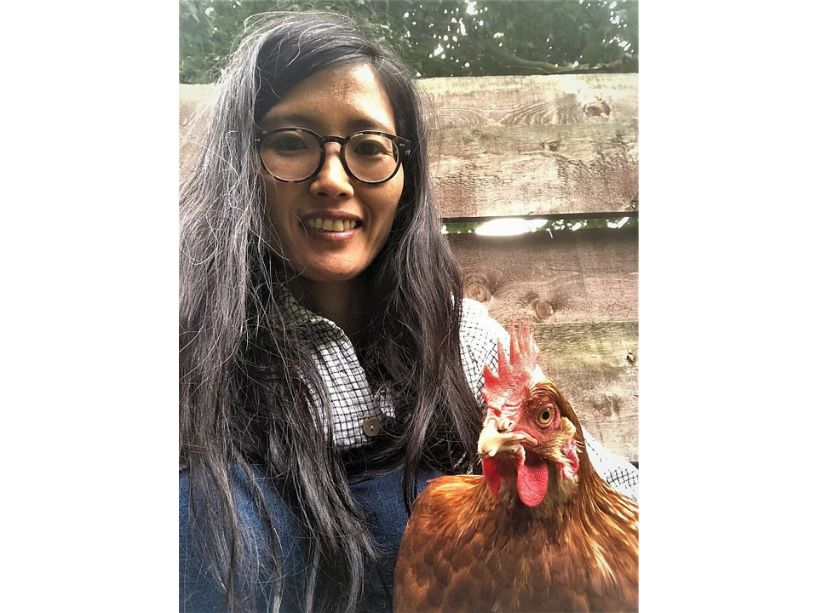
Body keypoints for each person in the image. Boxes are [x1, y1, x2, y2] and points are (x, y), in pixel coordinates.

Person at [179, 11, 638, 613]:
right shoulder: (185, 345)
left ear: (406, 178)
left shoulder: (462, 336)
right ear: (239, 164)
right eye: (291, 142)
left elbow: (614, 489)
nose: (333, 179)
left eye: (370, 147)